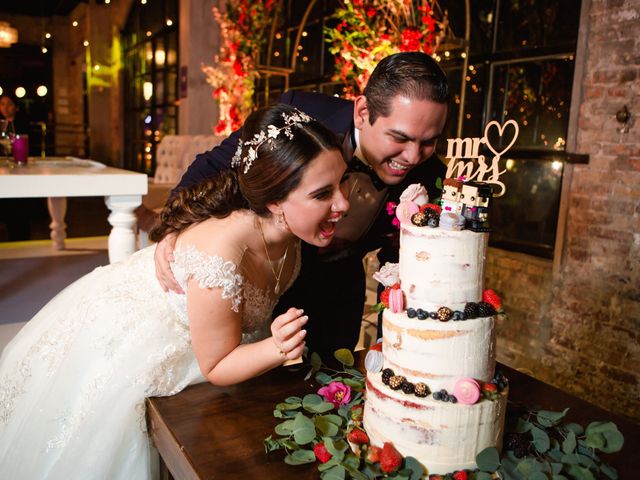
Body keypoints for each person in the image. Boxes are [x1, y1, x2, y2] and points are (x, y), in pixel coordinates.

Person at [0, 104, 349, 479]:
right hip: (137, 342)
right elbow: (214, 365)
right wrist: (275, 347)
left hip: (210, 338)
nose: (343, 203)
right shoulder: (222, 256)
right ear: (275, 200)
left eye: (341, 183)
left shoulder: (290, 230)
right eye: (322, 194)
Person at [154, 51, 450, 359]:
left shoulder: (430, 178)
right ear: (363, 111)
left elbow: (403, 274)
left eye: (429, 142)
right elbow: (213, 164)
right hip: (256, 271)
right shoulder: (300, 114)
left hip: (336, 292)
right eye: (399, 138)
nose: (414, 157)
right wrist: (175, 226)